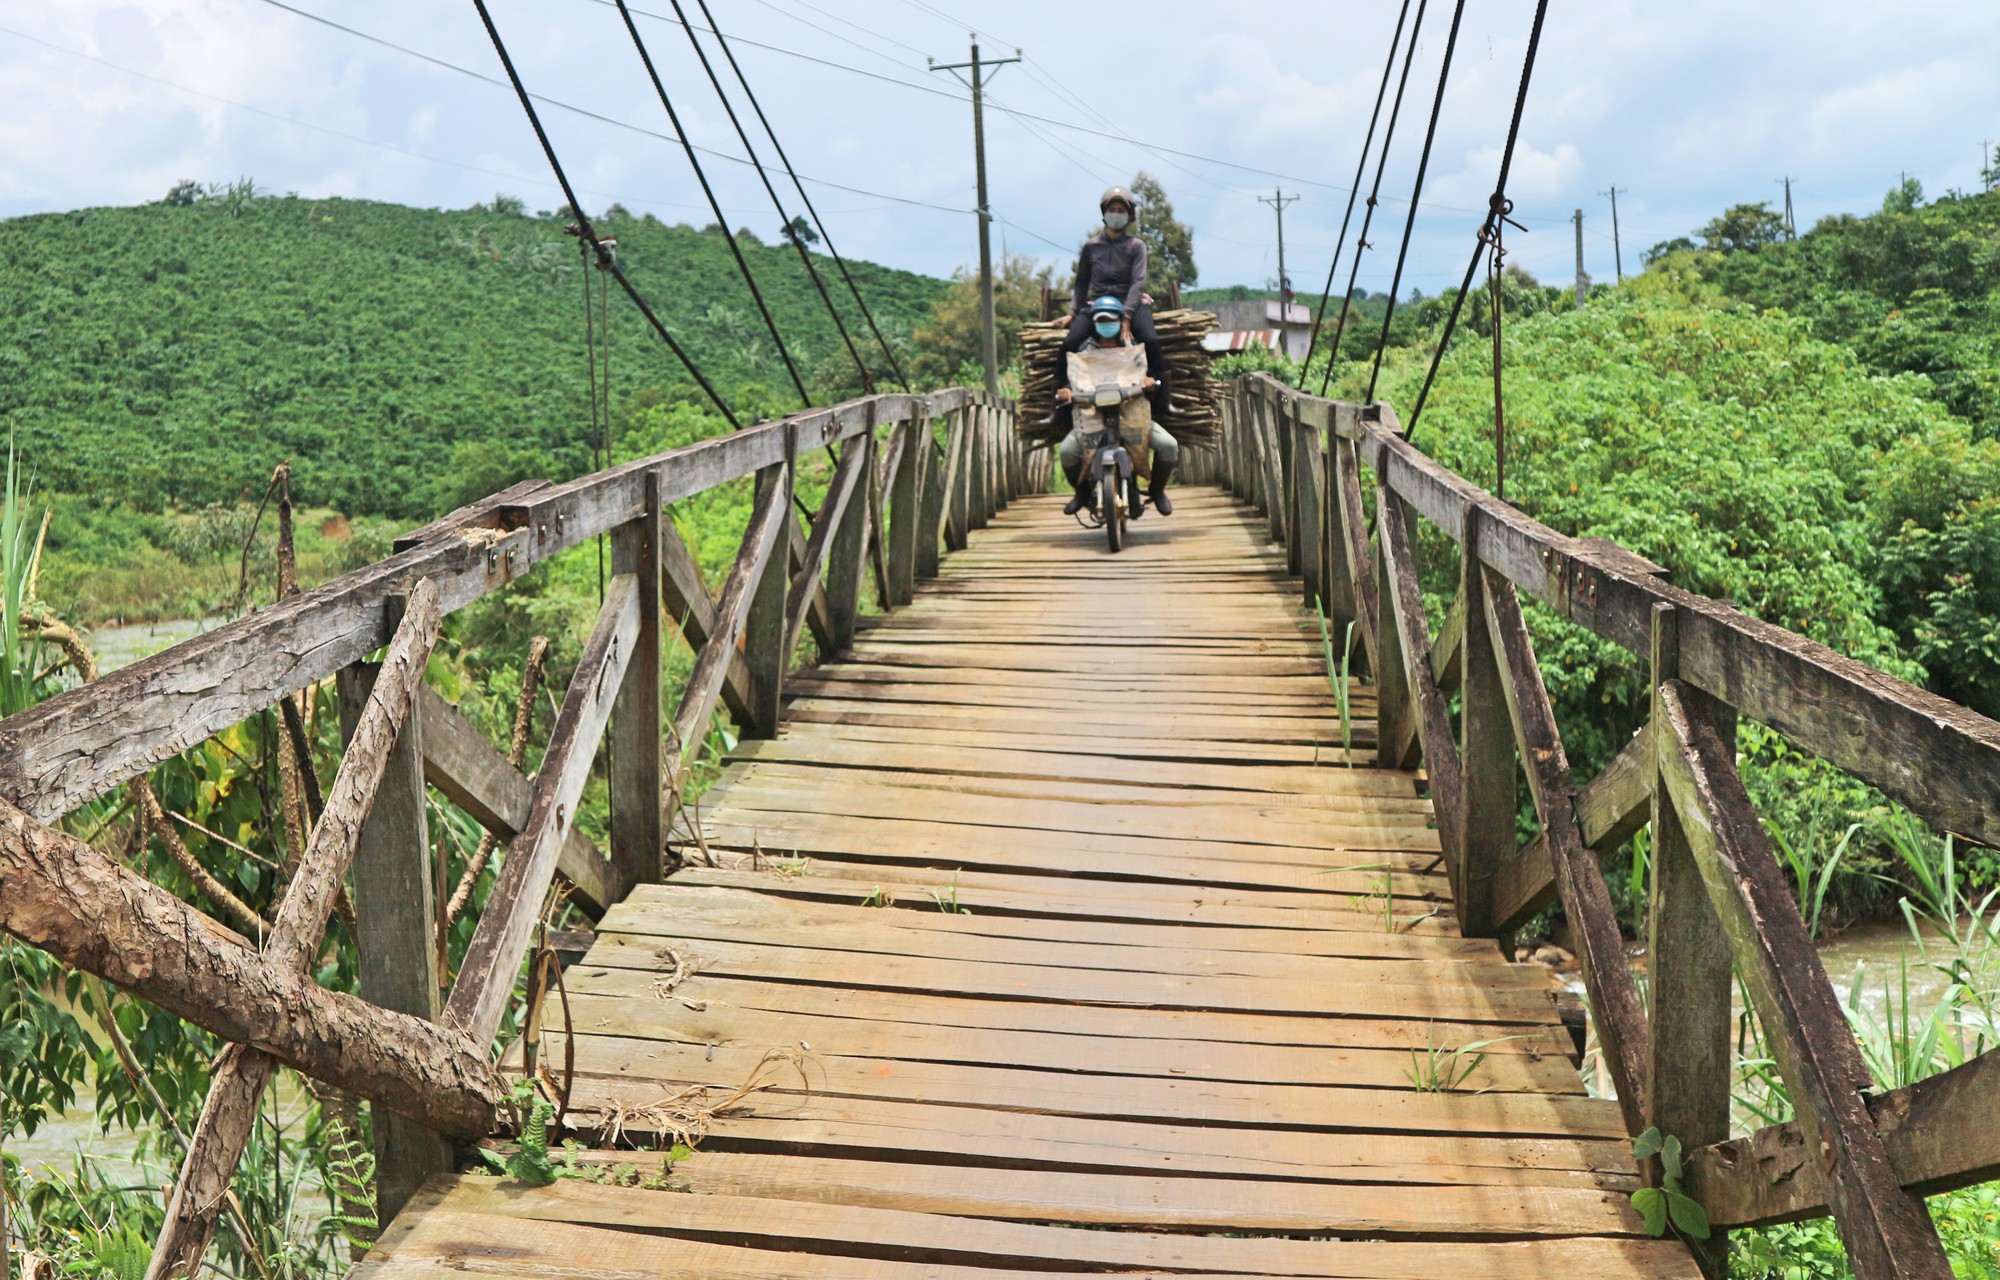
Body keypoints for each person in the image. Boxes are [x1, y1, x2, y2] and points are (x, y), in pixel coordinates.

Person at [1055, 295, 1179, 517]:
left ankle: (1157, 491)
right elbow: (1074, 378)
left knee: (1169, 445)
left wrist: (1149, 382)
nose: (1106, 325)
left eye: (1110, 320)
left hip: (1132, 415)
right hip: (1093, 418)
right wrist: (1066, 391)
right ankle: (1081, 493)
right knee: (1066, 451)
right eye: (1101, 321)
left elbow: (1149, 374)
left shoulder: (1134, 348)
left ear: (1120, 320)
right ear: (1094, 323)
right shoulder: (1083, 351)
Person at [1061, 187, 1175, 419]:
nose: (1116, 214)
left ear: (1129, 215)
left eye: (1121, 210)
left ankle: (1164, 401)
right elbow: (1081, 282)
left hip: (1129, 302)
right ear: (1104, 214)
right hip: (1097, 304)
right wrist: (1073, 312)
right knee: (1070, 341)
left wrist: (1127, 316)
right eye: (1111, 210)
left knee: (1151, 339)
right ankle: (1059, 407)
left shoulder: (1137, 246)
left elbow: (1138, 282)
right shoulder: (1091, 246)